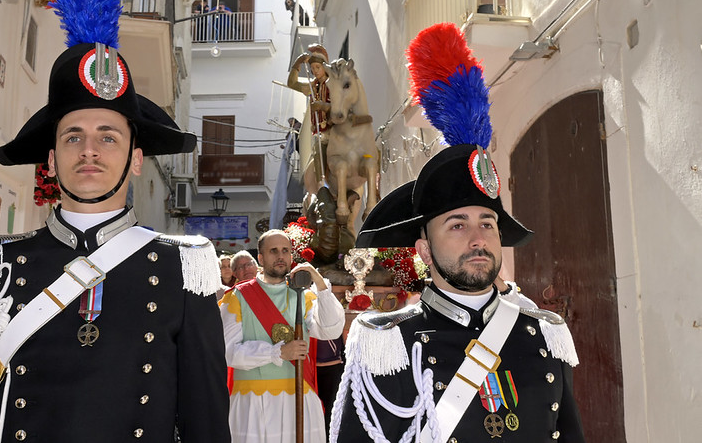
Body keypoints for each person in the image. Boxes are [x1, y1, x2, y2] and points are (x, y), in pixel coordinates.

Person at [0, 0, 230, 442]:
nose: (90, 150)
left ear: (136, 158)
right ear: (50, 158)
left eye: (109, 137)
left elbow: (206, 423)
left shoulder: (182, 268)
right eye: (73, 137)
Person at [329, 23, 583, 442]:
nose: (477, 238)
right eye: (457, 225)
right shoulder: (389, 344)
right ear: (424, 250)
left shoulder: (545, 333)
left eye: (487, 223)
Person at [219, 229, 346, 442]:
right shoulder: (237, 298)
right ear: (260, 258)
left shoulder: (304, 295)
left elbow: (330, 329)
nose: (280, 256)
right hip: (253, 402)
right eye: (274, 251)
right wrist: (276, 352)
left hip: (300, 397)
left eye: (285, 250)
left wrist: (319, 282)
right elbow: (228, 352)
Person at [286, 44, 331, 203]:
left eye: (318, 67)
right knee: (317, 151)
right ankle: (321, 188)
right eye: (312, 68)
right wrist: (297, 64)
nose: (315, 71)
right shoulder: (313, 87)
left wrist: (324, 106)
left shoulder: (333, 83)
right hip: (320, 133)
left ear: (324, 67)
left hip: (334, 129)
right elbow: (292, 83)